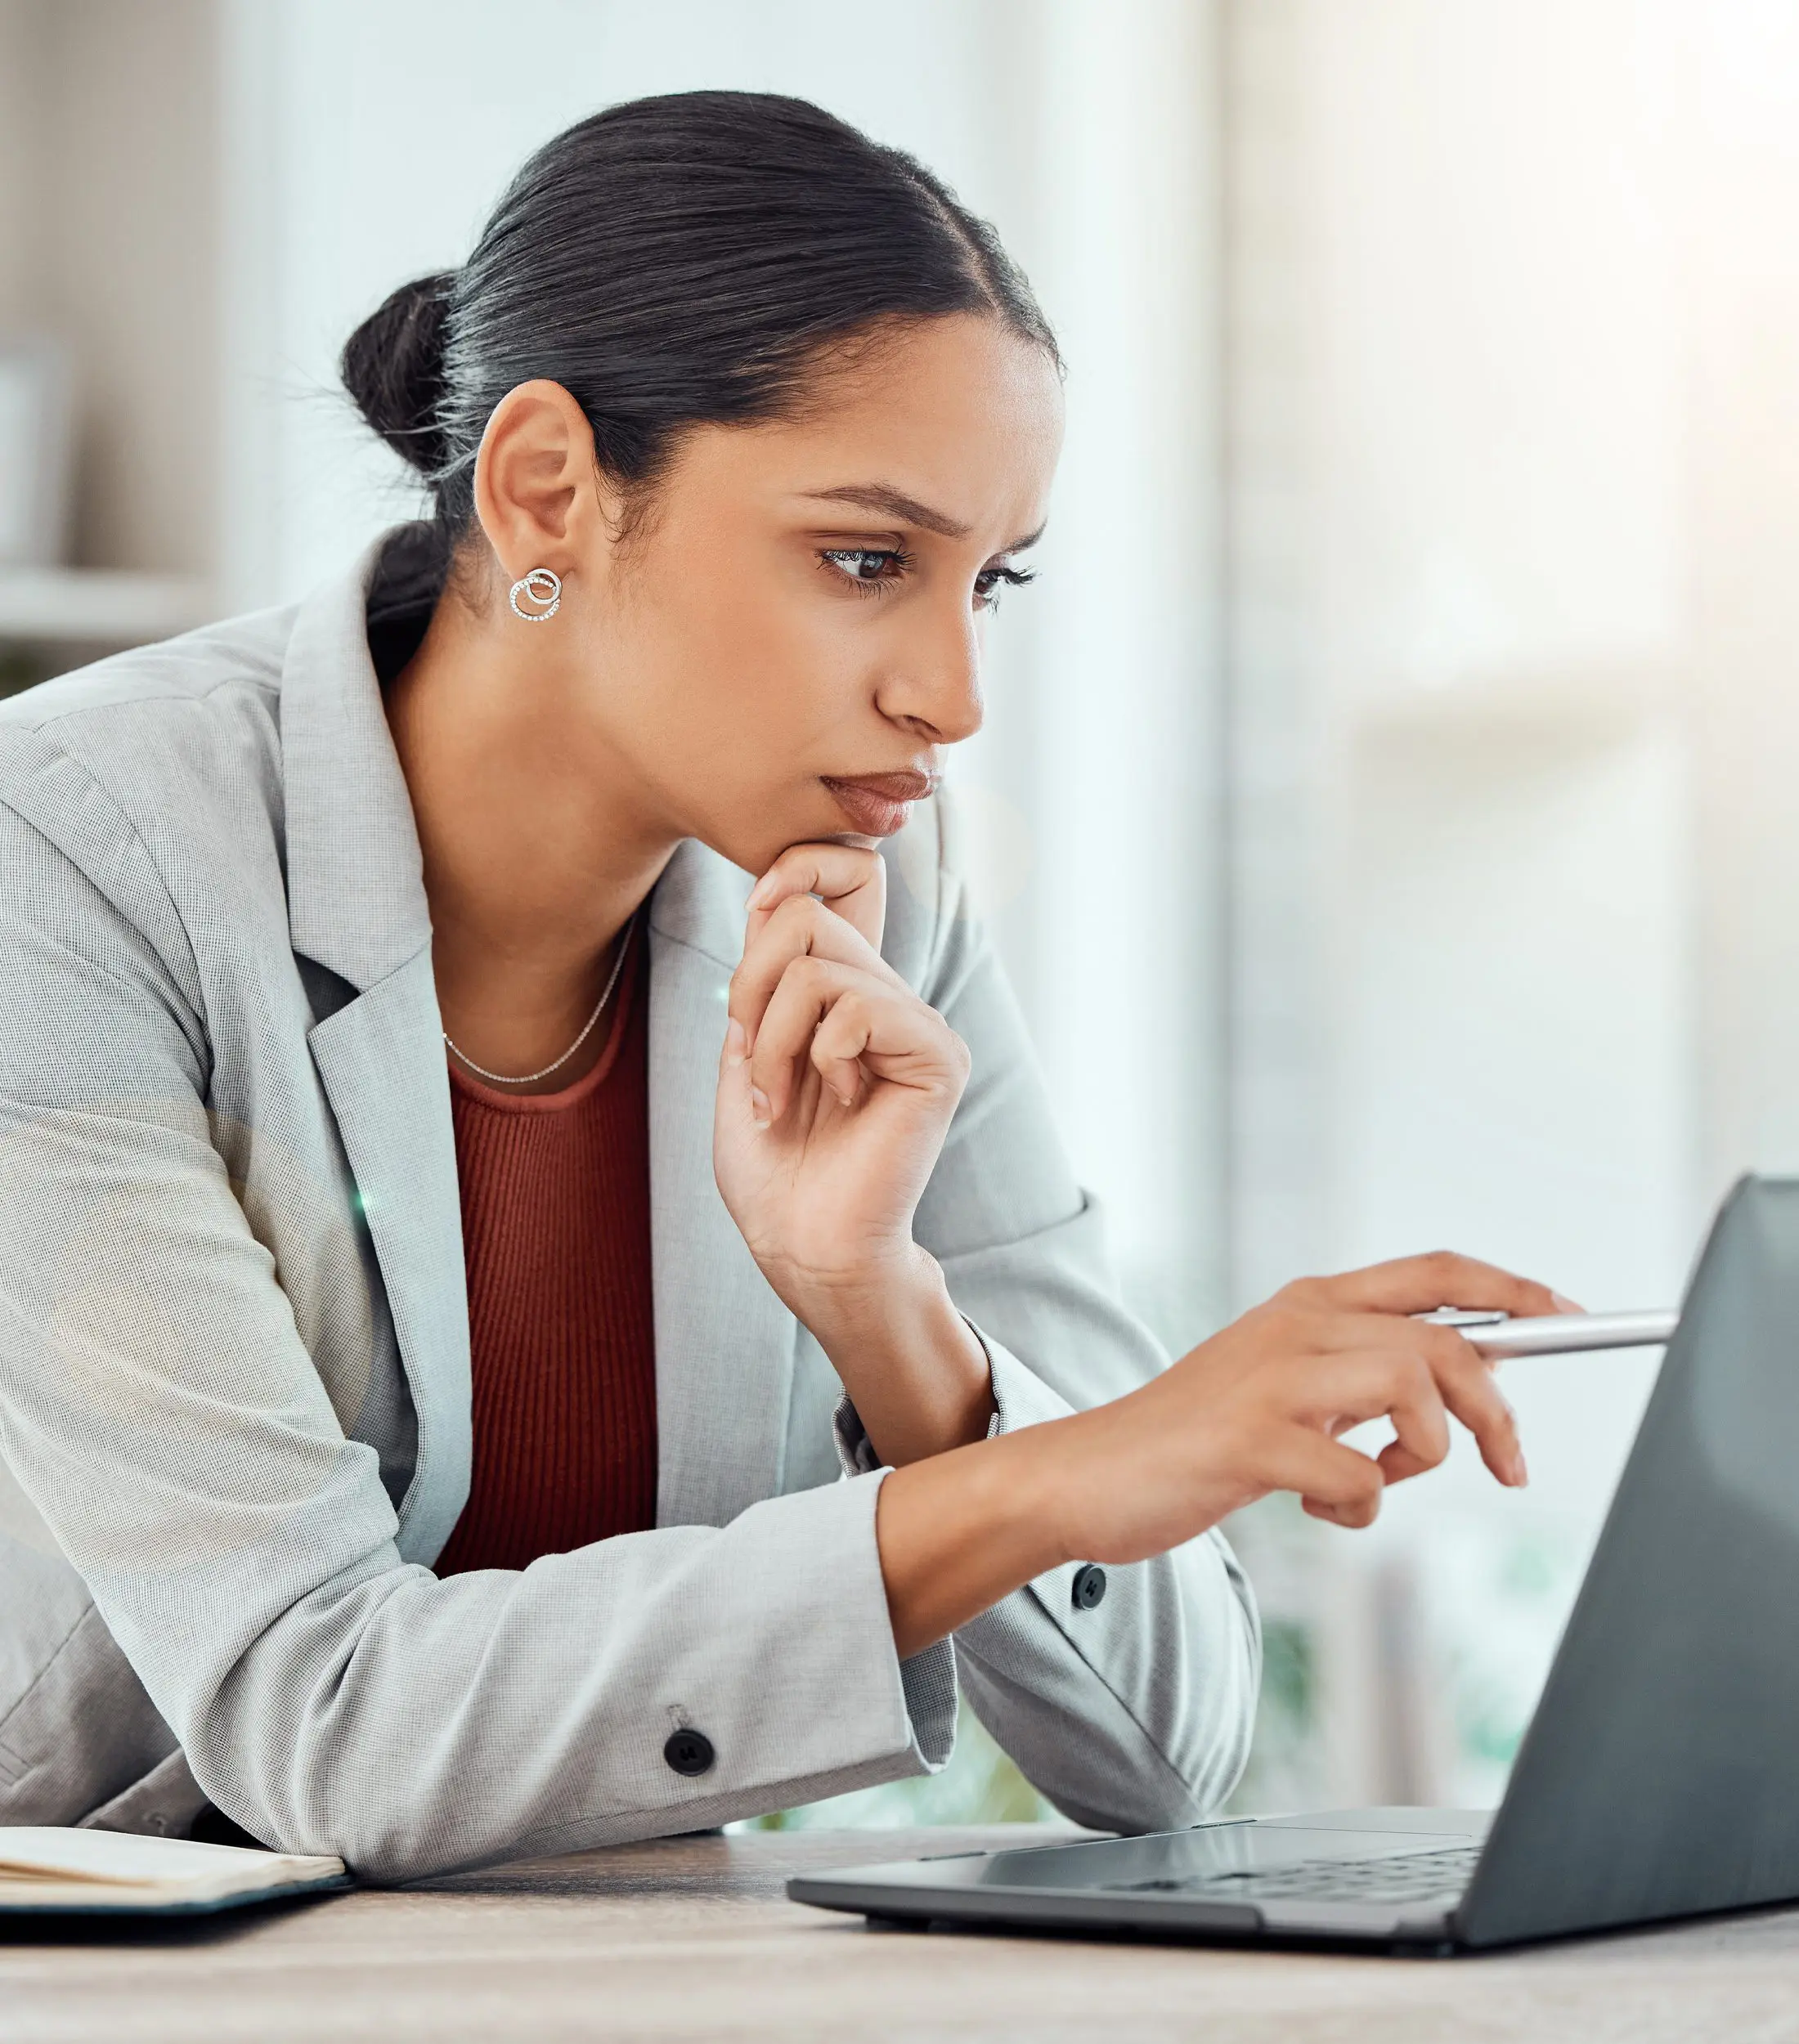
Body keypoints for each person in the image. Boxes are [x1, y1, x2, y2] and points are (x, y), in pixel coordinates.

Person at [0, 91, 1563, 1881]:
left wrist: (887, 1311)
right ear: (544, 491)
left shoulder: (882, 894)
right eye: (864, 558)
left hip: (629, 1970)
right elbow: (324, 1713)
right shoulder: (64, 862)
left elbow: (1166, 1753)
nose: (952, 693)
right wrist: (1041, 1475)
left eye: (994, 579)